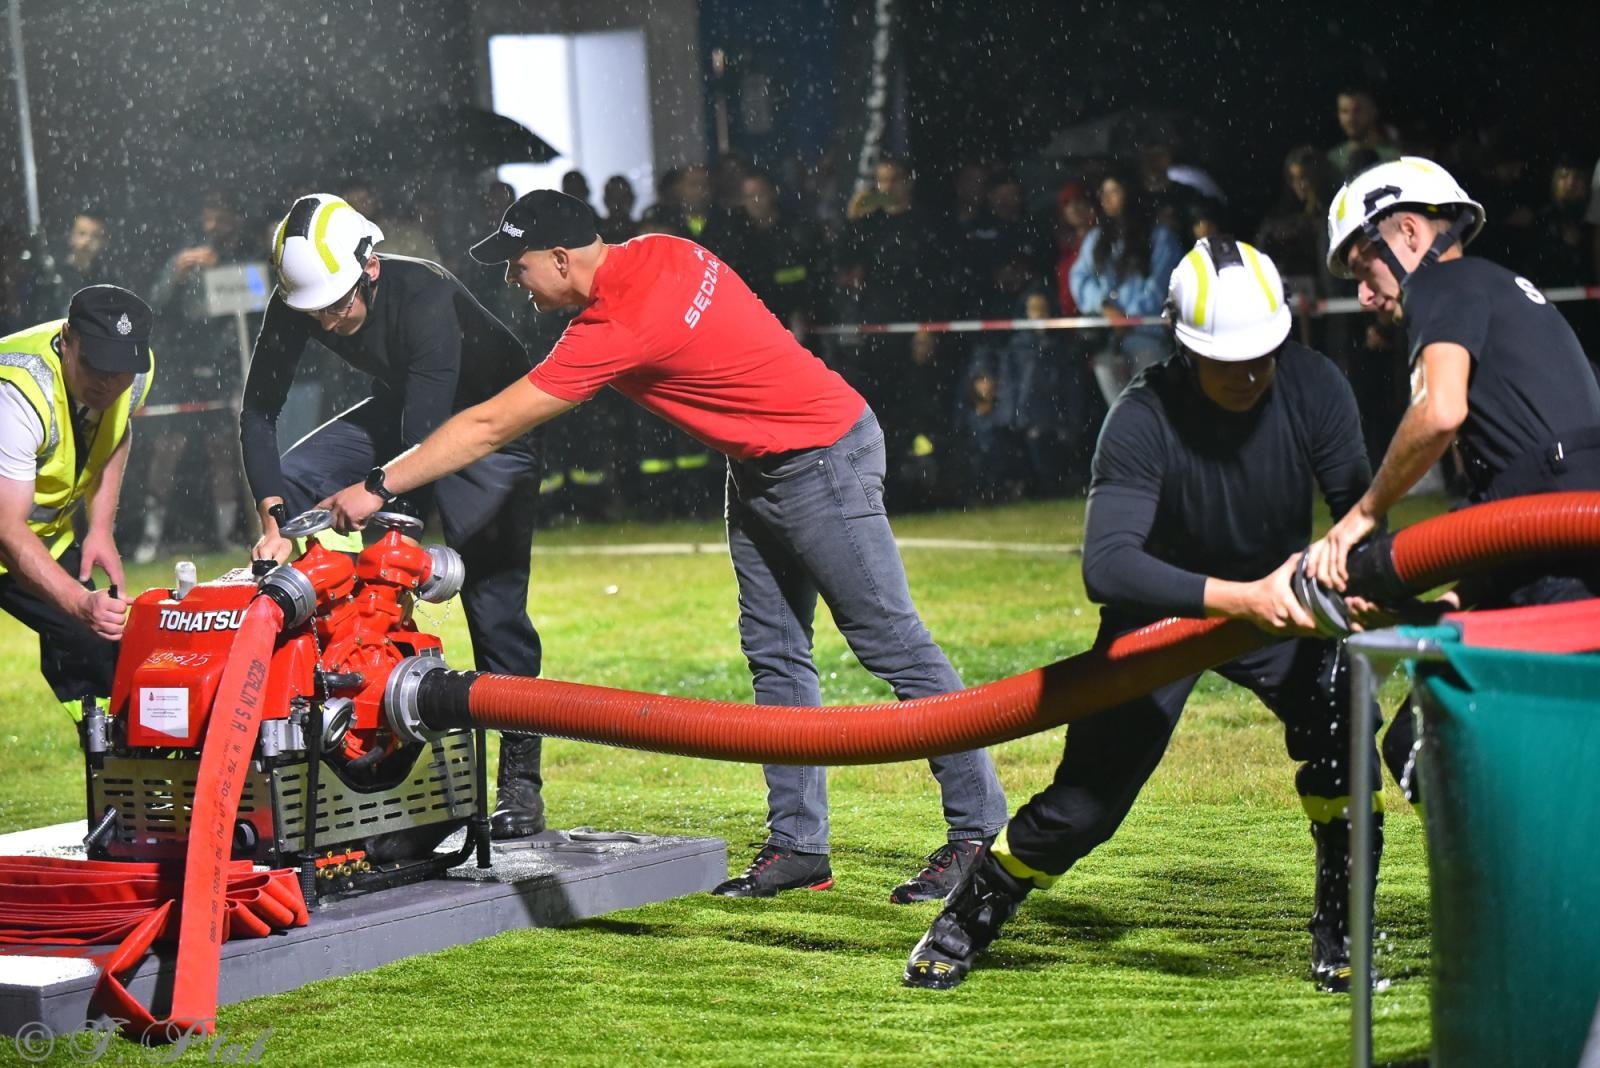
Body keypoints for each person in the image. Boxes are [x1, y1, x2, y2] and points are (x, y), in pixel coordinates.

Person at [324, 189, 1009, 900]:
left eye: (517, 265)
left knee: (891, 643)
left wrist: (379, 482)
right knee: (775, 655)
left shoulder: (613, 324)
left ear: (561, 260)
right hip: (765, 463)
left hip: (817, 458)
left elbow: (489, 427)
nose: (510, 280)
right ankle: (800, 846)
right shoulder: (663, 250)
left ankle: (978, 834)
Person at [905, 238, 1383, 993]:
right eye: (1229, 361)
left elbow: (1361, 515)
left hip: (1275, 609)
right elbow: (1109, 566)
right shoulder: (1141, 414)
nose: (1251, 373)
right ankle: (972, 908)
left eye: (1263, 354)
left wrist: (1348, 584)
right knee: (1084, 807)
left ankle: (1344, 920)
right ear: (1185, 348)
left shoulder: (1317, 386)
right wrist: (1242, 596)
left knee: (1343, 722)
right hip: (1161, 619)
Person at [241, 193, 547, 839]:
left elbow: (426, 445)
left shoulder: (425, 296)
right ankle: (314, 670)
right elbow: (258, 414)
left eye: (335, 306)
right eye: (311, 311)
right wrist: (273, 520)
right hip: (411, 408)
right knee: (296, 477)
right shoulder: (305, 298)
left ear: (370, 266)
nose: (323, 323)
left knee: (493, 606)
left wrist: (373, 497)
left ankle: (520, 778)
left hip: (490, 424)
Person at [1306, 157, 1600, 801]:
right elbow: (1523, 488)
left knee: (1465, 752)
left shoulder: (1443, 286)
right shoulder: (1498, 289)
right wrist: (1441, 608)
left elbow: (1439, 411)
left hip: (1558, 552)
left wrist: (1360, 519)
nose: (1364, 295)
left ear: (1409, 232)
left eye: (1364, 268)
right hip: (1554, 547)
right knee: (1415, 733)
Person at [0, 285, 154, 713]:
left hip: (40, 533)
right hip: (10, 529)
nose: (108, 382)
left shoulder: (135, 371)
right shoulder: (15, 395)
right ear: (67, 341)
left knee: (101, 651)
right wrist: (78, 601)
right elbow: (7, 530)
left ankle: (115, 766)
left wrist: (100, 527)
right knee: (88, 625)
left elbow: (117, 433)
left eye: (120, 369)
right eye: (95, 364)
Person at [138, 191, 253, 562]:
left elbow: (254, 304)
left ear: (234, 219)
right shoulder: (181, 256)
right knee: (166, 448)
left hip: (221, 367)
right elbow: (154, 304)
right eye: (208, 217)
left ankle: (227, 535)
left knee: (223, 448)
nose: (213, 225)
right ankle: (150, 538)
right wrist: (178, 271)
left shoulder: (242, 257)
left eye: (220, 217)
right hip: (179, 365)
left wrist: (228, 272)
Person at [1325, 88, 1400, 178]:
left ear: (1373, 111)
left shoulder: (1394, 157)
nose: (1350, 118)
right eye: (1344, 111)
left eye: (1357, 110)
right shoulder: (1332, 160)